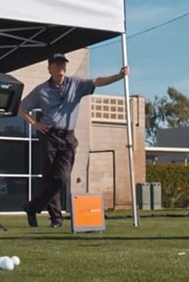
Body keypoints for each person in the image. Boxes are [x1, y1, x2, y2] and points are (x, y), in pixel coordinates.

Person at [19, 53, 129, 228]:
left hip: (68, 137)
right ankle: (56, 218)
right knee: (49, 178)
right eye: (57, 64)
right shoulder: (41, 90)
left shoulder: (76, 84)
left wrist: (118, 76)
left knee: (61, 178)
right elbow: (22, 107)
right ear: (50, 68)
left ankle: (32, 206)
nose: (61, 66)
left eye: (63, 63)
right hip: (49, 135)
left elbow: (97, 81)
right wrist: (35, 123)